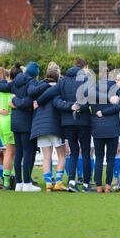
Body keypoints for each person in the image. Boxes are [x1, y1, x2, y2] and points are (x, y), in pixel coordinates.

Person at [0, 62, 41, 192]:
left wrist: (14, 100)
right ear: (35, 74)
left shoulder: (16, 81)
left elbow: (0, 86)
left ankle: (18, 184)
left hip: (15, 122)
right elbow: (28, 101)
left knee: (19, 153)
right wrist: (18, 102)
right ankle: (27, 183)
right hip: (27, 121)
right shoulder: (32, 83)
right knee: (27, 152)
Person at [53, 58, 92, 193]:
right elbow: (89, 100)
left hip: (67, 122)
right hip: (84, 122)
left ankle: (71, 181)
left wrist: (70, 106)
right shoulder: (85, 81)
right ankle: (86, 184)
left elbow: (55, 101)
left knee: (73, 152)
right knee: (86, 152)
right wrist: (79, 107)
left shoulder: (62, 82)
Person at [30, 62, 66, 192]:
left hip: (40, 126)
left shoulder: (39, 87)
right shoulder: (60, 88)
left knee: (46, 157)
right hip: (55, 125)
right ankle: (59, 181)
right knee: (62, 154)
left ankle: (48, 184)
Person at [90, 68, 120, 193]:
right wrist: (107, 110)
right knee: (110, 158)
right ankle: (108, 185)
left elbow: (92, 107)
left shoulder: (93, 89)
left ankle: (98, 186)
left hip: (98, 127)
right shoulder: (117, 89)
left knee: (99, 157)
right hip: (112, 129)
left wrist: (102, 112)